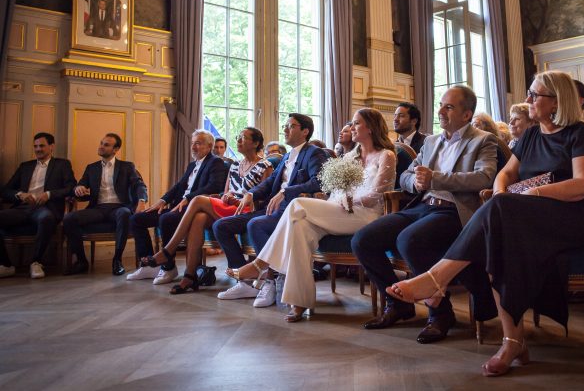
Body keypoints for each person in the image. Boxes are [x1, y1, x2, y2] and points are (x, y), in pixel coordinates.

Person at [385, 70, 584, 377]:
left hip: (574, 217)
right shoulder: (530, 135)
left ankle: (437, 280)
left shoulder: (580, 134)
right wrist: (504, 194)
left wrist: (532, 193)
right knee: (500, 240)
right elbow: (506, 174)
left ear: (556, 101)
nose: (527, 99)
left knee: (501, 220)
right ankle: (512, 340)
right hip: (530, 217)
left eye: (534, 95)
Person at [352, 85, 498, 344]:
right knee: (363, 239)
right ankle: (397, 304)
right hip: (421, 205)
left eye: (449, 107)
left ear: (466, 115)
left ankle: (440, 314)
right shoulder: (431, 142)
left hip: (453, 211)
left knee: (410, 239)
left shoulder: (482, 140)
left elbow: (484, 177)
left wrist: (436, 179)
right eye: (441, 105)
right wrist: (416, 184)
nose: (440, 111)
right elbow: (407, 175)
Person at [229, 109, 397, 321]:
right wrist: (336, 201)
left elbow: (378, 194)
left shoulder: (386, 155)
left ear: (371, 127)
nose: (351, 128)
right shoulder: (350, 156)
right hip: (339, 211)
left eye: (356, 124)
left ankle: (261, 264)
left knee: (298, 204)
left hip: (366, 215)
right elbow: (334, 189)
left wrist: (349, 201)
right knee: (300, 227)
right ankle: (299, 301)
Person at [133, 127, 273, 293]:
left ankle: (168, 250)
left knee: (198, 199)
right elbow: (225, 192)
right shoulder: (235, 165)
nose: (238, 141)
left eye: (243, 138)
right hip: (228, 206)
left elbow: (264, 199)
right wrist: (225, 197)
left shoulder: (266, 165)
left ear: (256, 143)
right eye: (238, 137)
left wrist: (239, 200)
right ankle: (189, 277)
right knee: (198, 218)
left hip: (245, 209)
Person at [213, 113, 327, 306]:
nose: (285, 129)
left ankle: (269, 281)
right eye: (285, 125)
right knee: (221, 226)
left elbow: (318, 181)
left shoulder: (313, 153)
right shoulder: (287, 156)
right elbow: (269, 183)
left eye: (291, 126)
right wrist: (251, 194)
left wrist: (286, 192)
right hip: (271, 208)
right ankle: (246, 282)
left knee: (256, 225)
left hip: (292, 207)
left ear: (305, 131)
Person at [127, 130, 227, 284]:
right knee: (137, 219)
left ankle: (168, 268)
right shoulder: (192, 164)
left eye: (198, 143)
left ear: (209, 146)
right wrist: (162, 200)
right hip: (178, 206)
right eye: (192, 143)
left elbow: (214, 186)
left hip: (196, 208)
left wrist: (188, 198)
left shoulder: (216, 162)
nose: (193, 147)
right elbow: (179, 186)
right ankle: (150, 267)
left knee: (167, 219)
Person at [64, 134, 147, 275]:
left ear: (115, 149)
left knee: (125, 213)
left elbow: (139, 185)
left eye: (106, 144)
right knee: (69, 218)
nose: (101, 146)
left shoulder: (127, 166)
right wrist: (78, 188)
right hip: (98, 208)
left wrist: (141, 201)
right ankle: (82, 261)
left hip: (119, 207)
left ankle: (117, 260)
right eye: (101, 143)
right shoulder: (92, 168)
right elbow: (81, 185)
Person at [0, 133, 76, 279]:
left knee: (46, 218)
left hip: (46, 208)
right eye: (35, 146)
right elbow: (6, 190)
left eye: (42, 145)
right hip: (22, 208)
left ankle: (36, 262)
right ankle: (6, 265)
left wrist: (49, 194)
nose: (38, 149)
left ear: (51, 146)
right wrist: (20, 195)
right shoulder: (25, 166)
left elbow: (71, 187)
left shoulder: (62, 164)